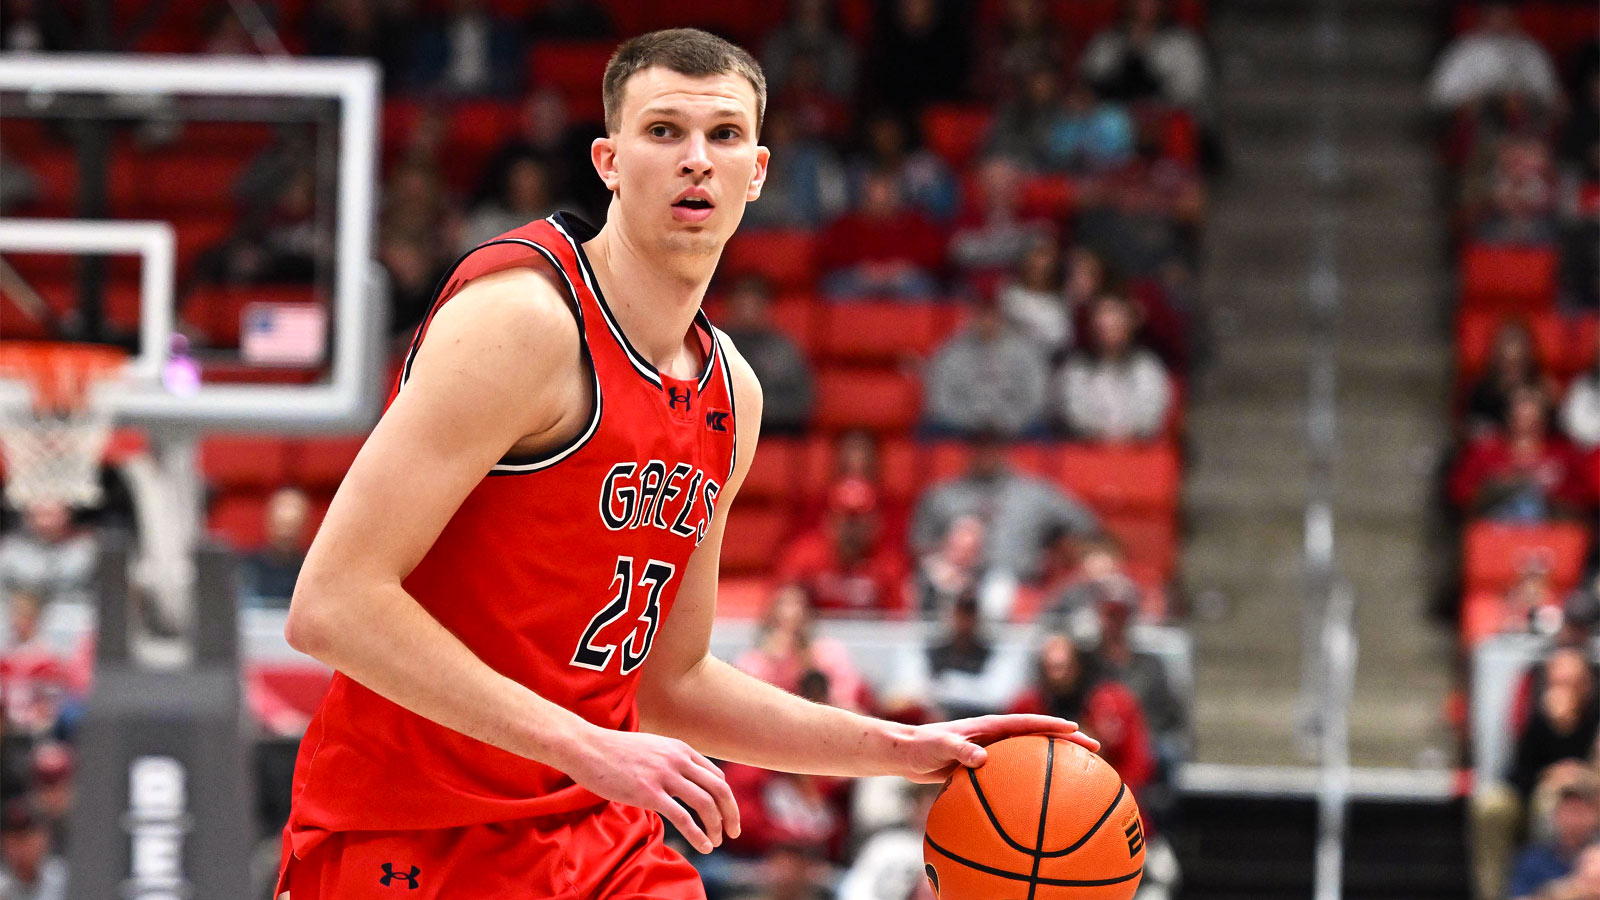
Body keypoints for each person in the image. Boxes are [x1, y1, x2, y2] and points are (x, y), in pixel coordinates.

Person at [275, 30, 1096, 900]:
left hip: (596, 831)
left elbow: (672, 686)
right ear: (609, 161)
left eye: (724, 135)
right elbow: (331, 604)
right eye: (663, 131)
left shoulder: (731, 395)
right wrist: (590, 747)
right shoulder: (523, 323)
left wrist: (898, 750)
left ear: (760, 170)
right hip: (413, 831)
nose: (696, 161)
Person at [910, 432, 1099, 581]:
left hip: (1020, 587)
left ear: (1004, 448)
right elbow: (920, 548)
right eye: (979, 445)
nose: (986, 453)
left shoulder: (1035, 493)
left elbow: (1087, 527)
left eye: (992, 445)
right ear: (969, 449)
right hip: (955, 588)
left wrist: (1057, 551)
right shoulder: (941, 495)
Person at [923, 293, 1049, 437]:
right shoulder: (951, 351)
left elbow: (1035, 397)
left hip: (1013, 425)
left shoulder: (1026, 351)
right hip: (963, 425)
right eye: (982, 316)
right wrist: (971, 422)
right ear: (972, 318)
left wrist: (1006, 422)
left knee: (1042, 432)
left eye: (993, 316)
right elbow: (940, 399)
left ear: (1002, 319)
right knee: (929, 430)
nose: (988, 322)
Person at [775, 478, 908, 614]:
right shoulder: (805, 555)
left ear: (875, 523)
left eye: (858, 521)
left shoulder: (889, 564)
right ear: (829, 521)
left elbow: (896, 621)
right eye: (846, 520)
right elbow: (783, 606)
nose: (851, 530)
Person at [1055, 292, 1172, 441]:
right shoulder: (1076, 368)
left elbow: (1151, 415)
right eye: (1102, 326)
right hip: (1087, 453)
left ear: (1129, 325)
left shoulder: (1148, 366)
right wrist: (1101, 435)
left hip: (1138, 453)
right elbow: (1073, 414)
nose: (1107, 331)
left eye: (1115, 325)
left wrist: (1125, 436)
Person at [717, 276, 815, 435]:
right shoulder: (713, 345)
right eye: (742, 304)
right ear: (730, 305)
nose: (747, 310)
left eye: (753, 304)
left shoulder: (784, 350)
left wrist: (759, 409)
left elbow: (802, 401)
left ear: (765, 307)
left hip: (774, 432)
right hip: (723, 431)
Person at [1428, 0, 1561, 113]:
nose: (1500, 18)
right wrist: (1477, 100)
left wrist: (1521, 99)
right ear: (1484, 15)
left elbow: (1552, 98)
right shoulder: (1464, 50)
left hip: (1523, 128)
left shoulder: (1530, 50)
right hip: (1478, 130)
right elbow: (1438, 97)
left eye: (1505, 12)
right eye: (1495, 13)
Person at [1508, 775, 1600, 899]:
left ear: (1595, 816)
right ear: (1556, 814)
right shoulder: (1533, 859)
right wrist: (1571, 888)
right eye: (1570, 810)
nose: (1575, 819)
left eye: (1582, 811)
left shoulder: (1596, 855)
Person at [0, 500, 96, 609]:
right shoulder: (9, 549)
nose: (45, 521)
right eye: (40, 513)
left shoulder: (89, 549)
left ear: (68, 512)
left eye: (50, 514)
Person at [240, 487, 312, 609]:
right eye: (282, 527)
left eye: (292, 528)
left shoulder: (312, 574)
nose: (286, 538)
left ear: (305, 527)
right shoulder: (245, 570)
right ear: (268, 521)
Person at [0, 799, 67, 900]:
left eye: (27, 839)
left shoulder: (62, 876)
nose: (22, 849)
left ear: (45, 839)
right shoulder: (2, 885)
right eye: (14, 841)